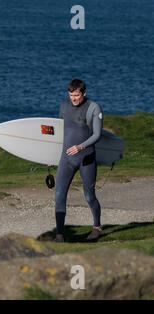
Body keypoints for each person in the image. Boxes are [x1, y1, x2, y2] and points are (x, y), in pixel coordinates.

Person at [55, 79, 103, 242]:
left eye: (76, 95)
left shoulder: (93, 108)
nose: (73, 98)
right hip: (66, 158)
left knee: (89, 196)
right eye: (71, 95)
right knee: (59, 195)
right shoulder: (63, 106)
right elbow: (60, 133)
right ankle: (60, 235)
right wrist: (48, 156)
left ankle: (97, 228)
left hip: (86, 158)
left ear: (84, 93)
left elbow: (97, 134)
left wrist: (80, 147)